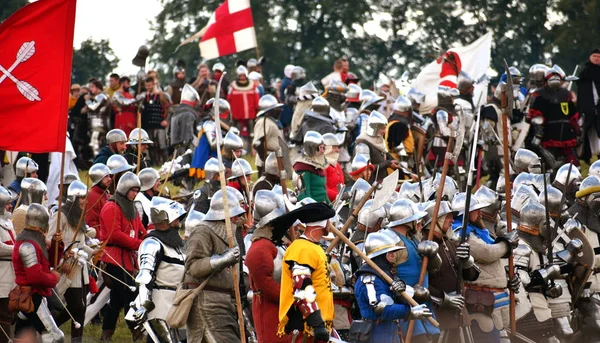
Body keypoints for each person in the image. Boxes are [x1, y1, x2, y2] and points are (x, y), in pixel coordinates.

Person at [184, 188, 246, 342]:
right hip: (206, 303)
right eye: (235, 215)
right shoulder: (203, 231)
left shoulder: (230, 233)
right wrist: (223, 259)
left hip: (225, 303)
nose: (239, 218)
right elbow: (192, 266)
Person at [354, 231, 433, 342]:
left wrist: (402, 292)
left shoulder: (385, 276)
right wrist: (409, 312)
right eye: (389, 252)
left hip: (390, 333)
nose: (393, 255)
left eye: (393, 252)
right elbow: (381, 309)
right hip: (376, 334)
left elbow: (396, 299)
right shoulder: (369, 279)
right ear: (380, 255)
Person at [127, 197, 186, 343]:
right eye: (175, 219)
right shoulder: (152, 244)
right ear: (165, 219)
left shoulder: (176, 245)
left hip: (177, 302)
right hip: (159, 305)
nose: (178, 223)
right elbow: (145, 276)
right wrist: (144, 305)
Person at [276, 202, 336, 342]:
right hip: (308, 327)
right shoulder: (302, 249)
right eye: (329, 220)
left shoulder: (313, 247)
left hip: (318, 326)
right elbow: (301, 288)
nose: (330, 224)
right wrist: (317, 323)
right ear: (322, 223)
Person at [383, 199, 441, 342]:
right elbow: (384, 274)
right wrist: (408, 291)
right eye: (415, 219)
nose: (418, 222)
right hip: (405, 306)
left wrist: (433, 254)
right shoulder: (391, 241)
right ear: (408, 221)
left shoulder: (413, 239)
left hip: (421, 303)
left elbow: (434, 268)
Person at [99, 172, 147, 341]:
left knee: (117, 300)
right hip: (113, 258)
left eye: (137, 190)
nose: (135, 194)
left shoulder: (132, 207)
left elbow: (140, 229)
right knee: (129, 294)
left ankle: (106, 333)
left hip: (127, 258)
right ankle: (136, 330)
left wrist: (148, 239)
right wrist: (137, 244)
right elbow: (115, 234)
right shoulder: (111, 207)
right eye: (133, 190)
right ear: (125, 189)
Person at [424, 200, 480, 339]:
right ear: (436, 220)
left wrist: (466, 260)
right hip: (438, 317)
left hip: (460, 316)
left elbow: (472, 275)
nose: (452, 220)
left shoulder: (450, 243)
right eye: (448, 216)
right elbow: (419, 284)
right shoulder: (424, 246)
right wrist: (444, 298)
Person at [46, 181, 93, 343]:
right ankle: (49, 329)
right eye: (80, 197)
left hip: (79, 268)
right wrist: (62, 255)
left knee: (81, 308)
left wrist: (95, 253)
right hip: (65, 268)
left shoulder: (79, 215)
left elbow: (82, 244)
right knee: (75, 307)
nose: (83, 201)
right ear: (73, 197)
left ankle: (75, 340)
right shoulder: (61, 215)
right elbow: (49, 240)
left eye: (85, 198)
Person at [12, 204, 66, 342]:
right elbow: (35, 277)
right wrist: (53, 278)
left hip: (34, 296)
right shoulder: (27, 245)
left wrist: (56, 244)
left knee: (22, 337)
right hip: (31, 296)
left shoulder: (36, 240)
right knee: (55, 337)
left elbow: (49, 263)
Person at [245, 190, 289, 342]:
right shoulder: (260, 247)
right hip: (270, 309)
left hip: (281, 307)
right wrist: (291, 299)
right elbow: (266, 285)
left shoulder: (274, 243)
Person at [530, 65, 581, 167]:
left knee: (573, 164)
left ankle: (574, 181)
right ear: (546, 80)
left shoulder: (566, 94)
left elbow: (573, 116)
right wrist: (538, 134)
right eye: (552, 77)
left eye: (557, 77)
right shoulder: (540, 95)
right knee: (548, 164)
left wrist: (577, 131)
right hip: (549, 134)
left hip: (566, 134)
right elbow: (537, 117)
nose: (555, 79)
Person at [355, 111, 401, 183]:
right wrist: (388, 164)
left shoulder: (378, 140)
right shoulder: (362, 144)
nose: (385, 131)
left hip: (381, 183)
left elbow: (390, 158)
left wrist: (410, 174)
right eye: (383, 128)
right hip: (369, 186)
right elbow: (365, 168)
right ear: (375, 127)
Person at [138, 77, 170, 165]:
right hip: (148, 125)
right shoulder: (144, 97)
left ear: (153, 84)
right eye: (146, 86)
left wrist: (166, 120)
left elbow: (169, 108)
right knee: (150, 146)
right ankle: (154, 164)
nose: (148, 87)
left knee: (162, 146)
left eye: (149, 85)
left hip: (159, 124)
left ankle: (166, 164)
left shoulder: (161, 95)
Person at [294, 131, 329, 203]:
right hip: (313, 208)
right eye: (320, 148)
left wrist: (331, 206)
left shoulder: (318, 165)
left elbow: (323, 192)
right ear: (311, 147)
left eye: (324, 147)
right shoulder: (303, 167)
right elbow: (304, 196)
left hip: (322, 207)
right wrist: (313, 210)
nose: (323, 151)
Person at [253, 94, 284, 176]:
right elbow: (257, 143)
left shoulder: (271, 121)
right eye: (275, 108)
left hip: (274, 160)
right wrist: (265, 159)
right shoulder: (264, 122)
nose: (278, 110)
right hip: (266, 161)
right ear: (269, 110)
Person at [578, 48, 600, 162]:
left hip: (599, 109)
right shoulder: (584, 73)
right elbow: (581, 95)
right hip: (587, 109)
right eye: (594, 56)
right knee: (585, 133)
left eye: (598, 57)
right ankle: (586, 157)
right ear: (590, 58)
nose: (596, 58)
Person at [227, 65, 260, 140]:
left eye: (243, 75)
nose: (242, 77)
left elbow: (256, 99)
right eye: (240, 76)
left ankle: (252, 150)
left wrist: (257, 110)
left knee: (252, 134)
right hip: (238, 116)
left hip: (251, 114)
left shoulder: (252, 85)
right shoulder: (233, 86)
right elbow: (229, 99)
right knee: (236, 133)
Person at [0, 187, 15, 343]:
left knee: (8, 314)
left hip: (10, 276)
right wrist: (18, 249)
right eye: (7, 203)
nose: (11, 206)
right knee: (4, 314)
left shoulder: (7, 222)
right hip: (1, 276)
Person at [170, 84, 200, 155]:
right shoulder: (188, 114)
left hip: (177, 149)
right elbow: (188, 138)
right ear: (194, 100)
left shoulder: (176, 113)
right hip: (187, 150)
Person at [386, 95, 415, 161]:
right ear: (407, 111)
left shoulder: (392, 122)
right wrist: (403, 165)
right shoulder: (399, 124)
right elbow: (397, 146)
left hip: (393, 160)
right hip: (397, 161)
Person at [85, 164, 112, 234]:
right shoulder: (91, 196)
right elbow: (91, 222)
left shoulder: (108, 195)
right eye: (106, 176)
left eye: (109, 176)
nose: (109, 179)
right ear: (98, 178)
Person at [322, 133, 344, 203]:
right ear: (327, 148)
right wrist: (337, 196)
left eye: (338, 147)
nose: (338, 150)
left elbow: (341, 185)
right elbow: (322, 188)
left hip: (339, 202)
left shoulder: (336, 165)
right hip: (327, 203)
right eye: (334, 147)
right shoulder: (322, 165)